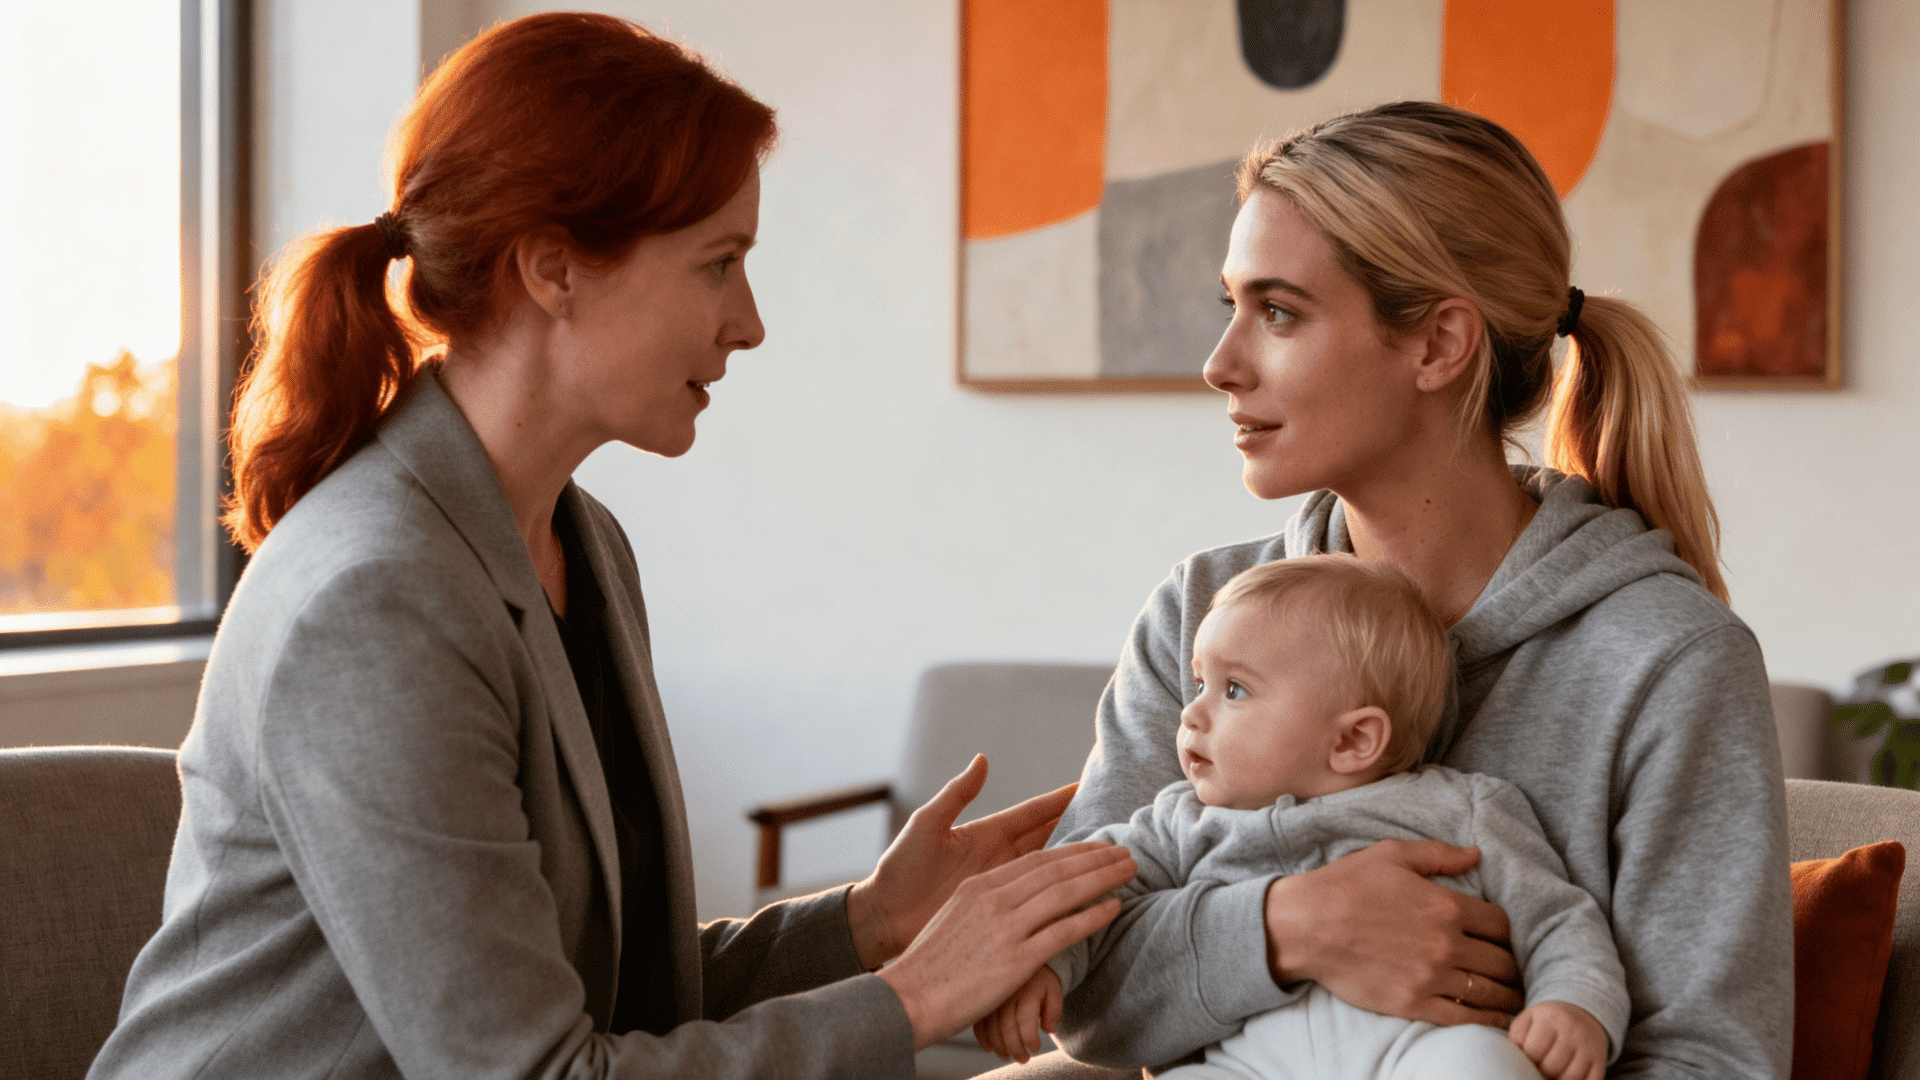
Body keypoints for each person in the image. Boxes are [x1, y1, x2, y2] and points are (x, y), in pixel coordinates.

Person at [85, 13, 1136, 1080]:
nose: (750, 321)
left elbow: (623, 1004)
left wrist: (872, 922)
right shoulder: (375, 601)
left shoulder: (580, 544)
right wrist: (917, 998)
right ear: (555, 270)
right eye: (718, 264)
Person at [1039, 101, 1792, 1077]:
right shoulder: (1203, 611)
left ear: (1439, 344)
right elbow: (1078, 996)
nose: (1221, 365)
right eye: (1231, 306)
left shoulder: (1667, 660)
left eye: (1278, 312)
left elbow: (1712, 1061)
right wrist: (1284, 929)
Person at [980, 556, 1627, 1080]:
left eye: (1233, 690)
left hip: (1416, 1052)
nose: (1192, 714)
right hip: (1242, 1063)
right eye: (1198, 682)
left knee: (1483, 1066)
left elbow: (1559, 917)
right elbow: (1085, 899)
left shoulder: (1460, 809)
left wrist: (1575, 1004)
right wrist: (1045, 967)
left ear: (1352, 741)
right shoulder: (1174, 823)